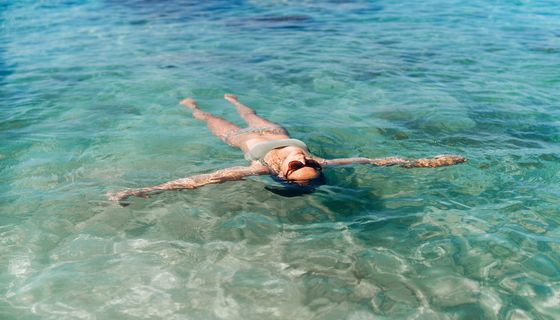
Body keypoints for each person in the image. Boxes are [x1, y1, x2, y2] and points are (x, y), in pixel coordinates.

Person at [108, 94, 465, 202]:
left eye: (298, 166)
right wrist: (430, 162)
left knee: (208, 119)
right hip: (275, 129)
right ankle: (236, 101)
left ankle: (193, 107)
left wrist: (142, 190)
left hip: (240, 139)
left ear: (281, 173)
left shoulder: (260, 168)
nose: (301, 158)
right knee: (247, 110)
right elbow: (380, 161)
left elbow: (204, 179)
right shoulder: (320, 159)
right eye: (308, 162)